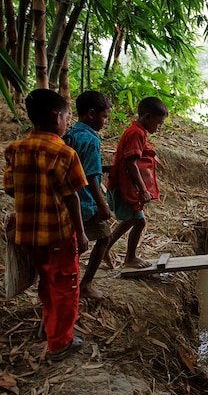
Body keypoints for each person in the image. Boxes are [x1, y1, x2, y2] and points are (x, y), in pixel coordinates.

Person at [4, 89, 89, 360]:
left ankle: (49, 326)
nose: (68, 121)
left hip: (27, 233)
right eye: (67, 116)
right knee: (65, 285)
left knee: (46, 280)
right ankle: (60, 342)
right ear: (56, 117)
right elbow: (72, 196)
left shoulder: (14, 149)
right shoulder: (64, 153)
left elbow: (10, 189)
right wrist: (82, 233)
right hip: (58, 234)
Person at [106, 97, 168, 268]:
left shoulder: (138, 131)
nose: (159, 127)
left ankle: (106, 248)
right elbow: (131, 163)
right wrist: (143, 189)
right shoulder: (136, 133)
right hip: (124, 185)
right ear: (147, 117)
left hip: (125, 184)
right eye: (158, 123)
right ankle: (129, 258)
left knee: (132, 221)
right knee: (138, 222)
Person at [63, 91, 112, 299]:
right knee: (104, 237)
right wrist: (102, 205)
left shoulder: (71, 134)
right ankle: (86, 284)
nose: (105, 121)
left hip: (69, 199)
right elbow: (91, 177)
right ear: (91, 114)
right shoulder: (91, 141)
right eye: (104, 116)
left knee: (74, 240)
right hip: (84, 202)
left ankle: (65, 275)